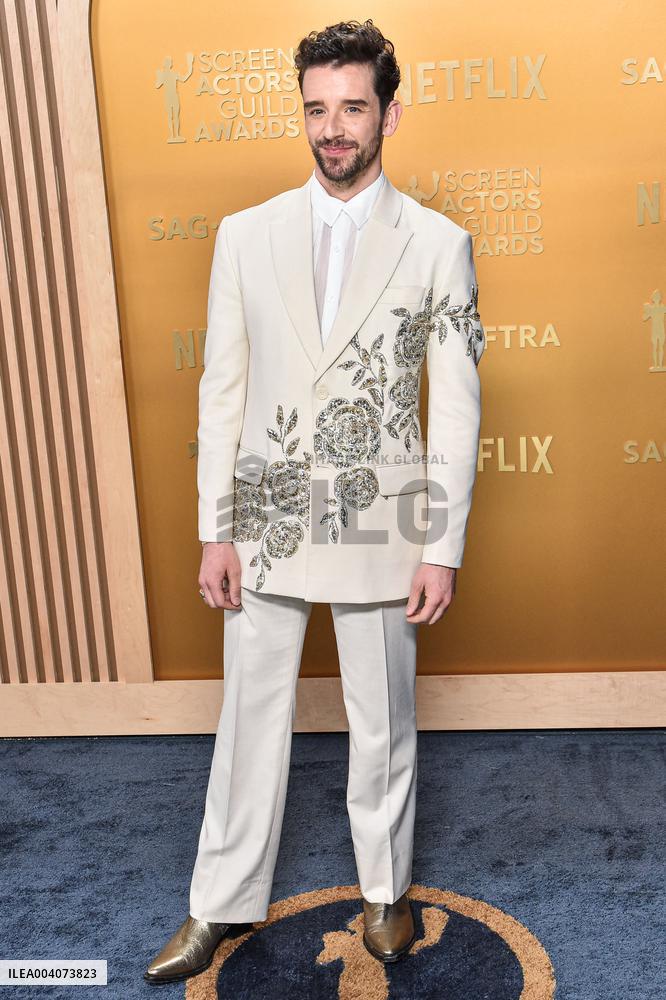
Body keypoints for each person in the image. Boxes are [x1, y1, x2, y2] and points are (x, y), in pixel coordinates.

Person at [145, 18, 485, 985]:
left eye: (353, 107)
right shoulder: (244, 236)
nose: (334, 128)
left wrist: (442, 544)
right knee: (249, 716)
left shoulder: (439, 243)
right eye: (317, 109)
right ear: (302, 112)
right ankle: (218, 904)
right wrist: (215, 527)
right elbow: (223, 391)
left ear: (390, 112)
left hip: (384, 516)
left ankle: (386, 891)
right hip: (269, 509)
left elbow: (457, 408)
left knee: (384, 715)